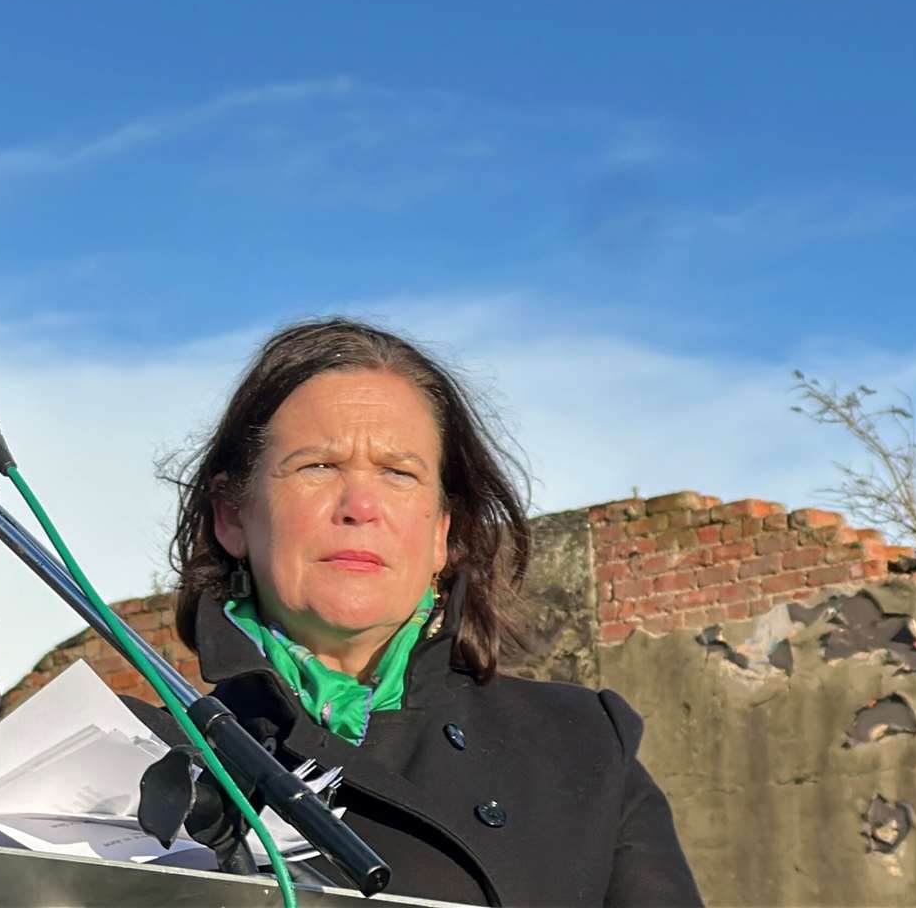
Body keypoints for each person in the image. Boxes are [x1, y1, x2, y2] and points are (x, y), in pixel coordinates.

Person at [158, 318, 701, 906]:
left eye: (398, 473)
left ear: (441, 530)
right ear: (233, 517)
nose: (360, 506)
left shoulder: (584, 750)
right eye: (317, 466)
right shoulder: (141, 759)